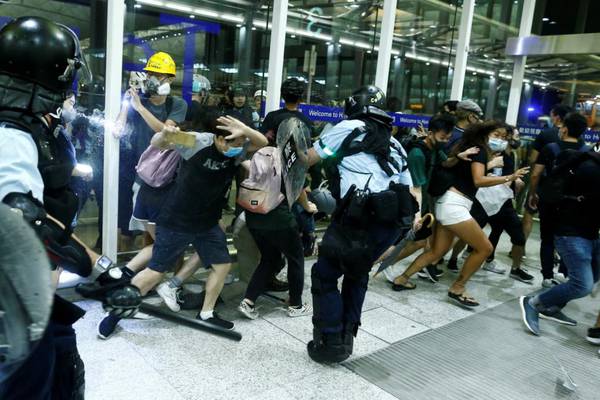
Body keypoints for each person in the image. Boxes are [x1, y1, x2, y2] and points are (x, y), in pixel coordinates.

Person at [0, 16, 140, 399]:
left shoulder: (28, 123)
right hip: (10, 309)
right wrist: (100, 270)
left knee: (62, 364)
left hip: (26, 294)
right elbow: (25, 221)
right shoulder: (11, 133)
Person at [97, 112, 268, 338]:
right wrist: (165, 134)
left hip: (207, 222)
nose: (238, 148)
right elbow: (157, 142)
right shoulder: (198, 141)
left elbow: (262, 142)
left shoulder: (240, 143)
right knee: (155, 272)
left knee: (222, 264)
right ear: (217, 138)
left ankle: (206, 314)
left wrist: (244, 130)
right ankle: (116, 313)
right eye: (232, 143)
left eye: (240, 143)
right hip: (177, 219)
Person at [302, 85, 418, 363]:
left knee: (325, 275)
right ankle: (347, 339)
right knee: (357, 275)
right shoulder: (395, 142)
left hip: (356, 219)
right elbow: (409, 191)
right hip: (388, 223)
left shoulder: (348, 127)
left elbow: (310, 158)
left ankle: (329, 341)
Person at [392, 121, 529, 306]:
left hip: (449, 203)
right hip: (454, 205)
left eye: (504, 137)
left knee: (437, 251)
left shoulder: (474, 150)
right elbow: (479, 180)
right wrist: (509, 177)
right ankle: (458, 287)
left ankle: (402, 278)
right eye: (496, 135)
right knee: (485, 248)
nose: (501, 140)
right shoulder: (479, 151)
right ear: (485, 133)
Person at [519, 118, 600, 334]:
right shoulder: (592, 168)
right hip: (571, 232)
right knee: (582, 284)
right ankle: (534, 303)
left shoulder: (588, 159)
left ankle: (552, 305)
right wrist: (533, 194)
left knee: (592, 276)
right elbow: (536, 173)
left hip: (590, 232)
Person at [377, 113, 455, 284]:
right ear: (431, 132)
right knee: (408, 241)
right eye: (443, 137)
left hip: (422, 202)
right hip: (410, 204)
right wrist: (417, 215)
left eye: (448, 138)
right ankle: (381, 263)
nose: (445, 141)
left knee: (418, 242)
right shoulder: (418, 154)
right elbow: (415, 187)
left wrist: (460, 156)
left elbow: (446, 162)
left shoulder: (435, 148)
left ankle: (385, 262)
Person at [528, 112, 589, 287]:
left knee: (547, 238)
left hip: (549, 199)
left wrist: (533, 194)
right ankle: (563, 272)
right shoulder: (586, 151)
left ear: (565, 128)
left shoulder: (550, 148)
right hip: (574, 203)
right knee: (568, 237)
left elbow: (535, 174)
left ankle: (547, 276)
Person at [521, 105, 573, 258]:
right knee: (558, 220)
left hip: (543, 181)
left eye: (551, 115)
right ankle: (556, 253)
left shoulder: (545, 134)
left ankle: (520, 248)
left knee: (529, 213)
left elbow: (533, 159)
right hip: (564, 186)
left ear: (556, 117)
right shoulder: (577, 140)